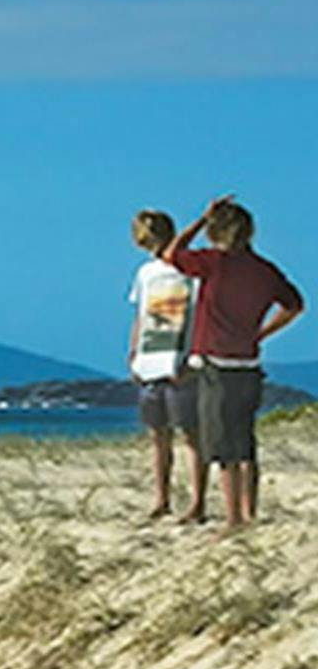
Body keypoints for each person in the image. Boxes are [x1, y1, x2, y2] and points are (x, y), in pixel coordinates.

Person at [162, 195, 304, 531]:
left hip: (217, 363)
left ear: (215, 232)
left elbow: (172, 254)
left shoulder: (215, 262)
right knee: (245, 440)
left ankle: (234, 519)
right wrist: (261, 333)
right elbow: (295, 305)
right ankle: (249, 512)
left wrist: (199, 218)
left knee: (224, 446)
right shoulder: (265, 270)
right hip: (249, 363)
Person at [127, 210, 204, 521]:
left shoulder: (190, 271)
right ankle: (162, 499)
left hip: (180, 359)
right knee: (158, 436)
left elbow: (201, 313)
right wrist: (133, 352)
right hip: (150, 360)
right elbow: (141, 314)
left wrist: (195, 357)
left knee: (190, 434)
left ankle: (197, 503)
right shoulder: (146, 273)